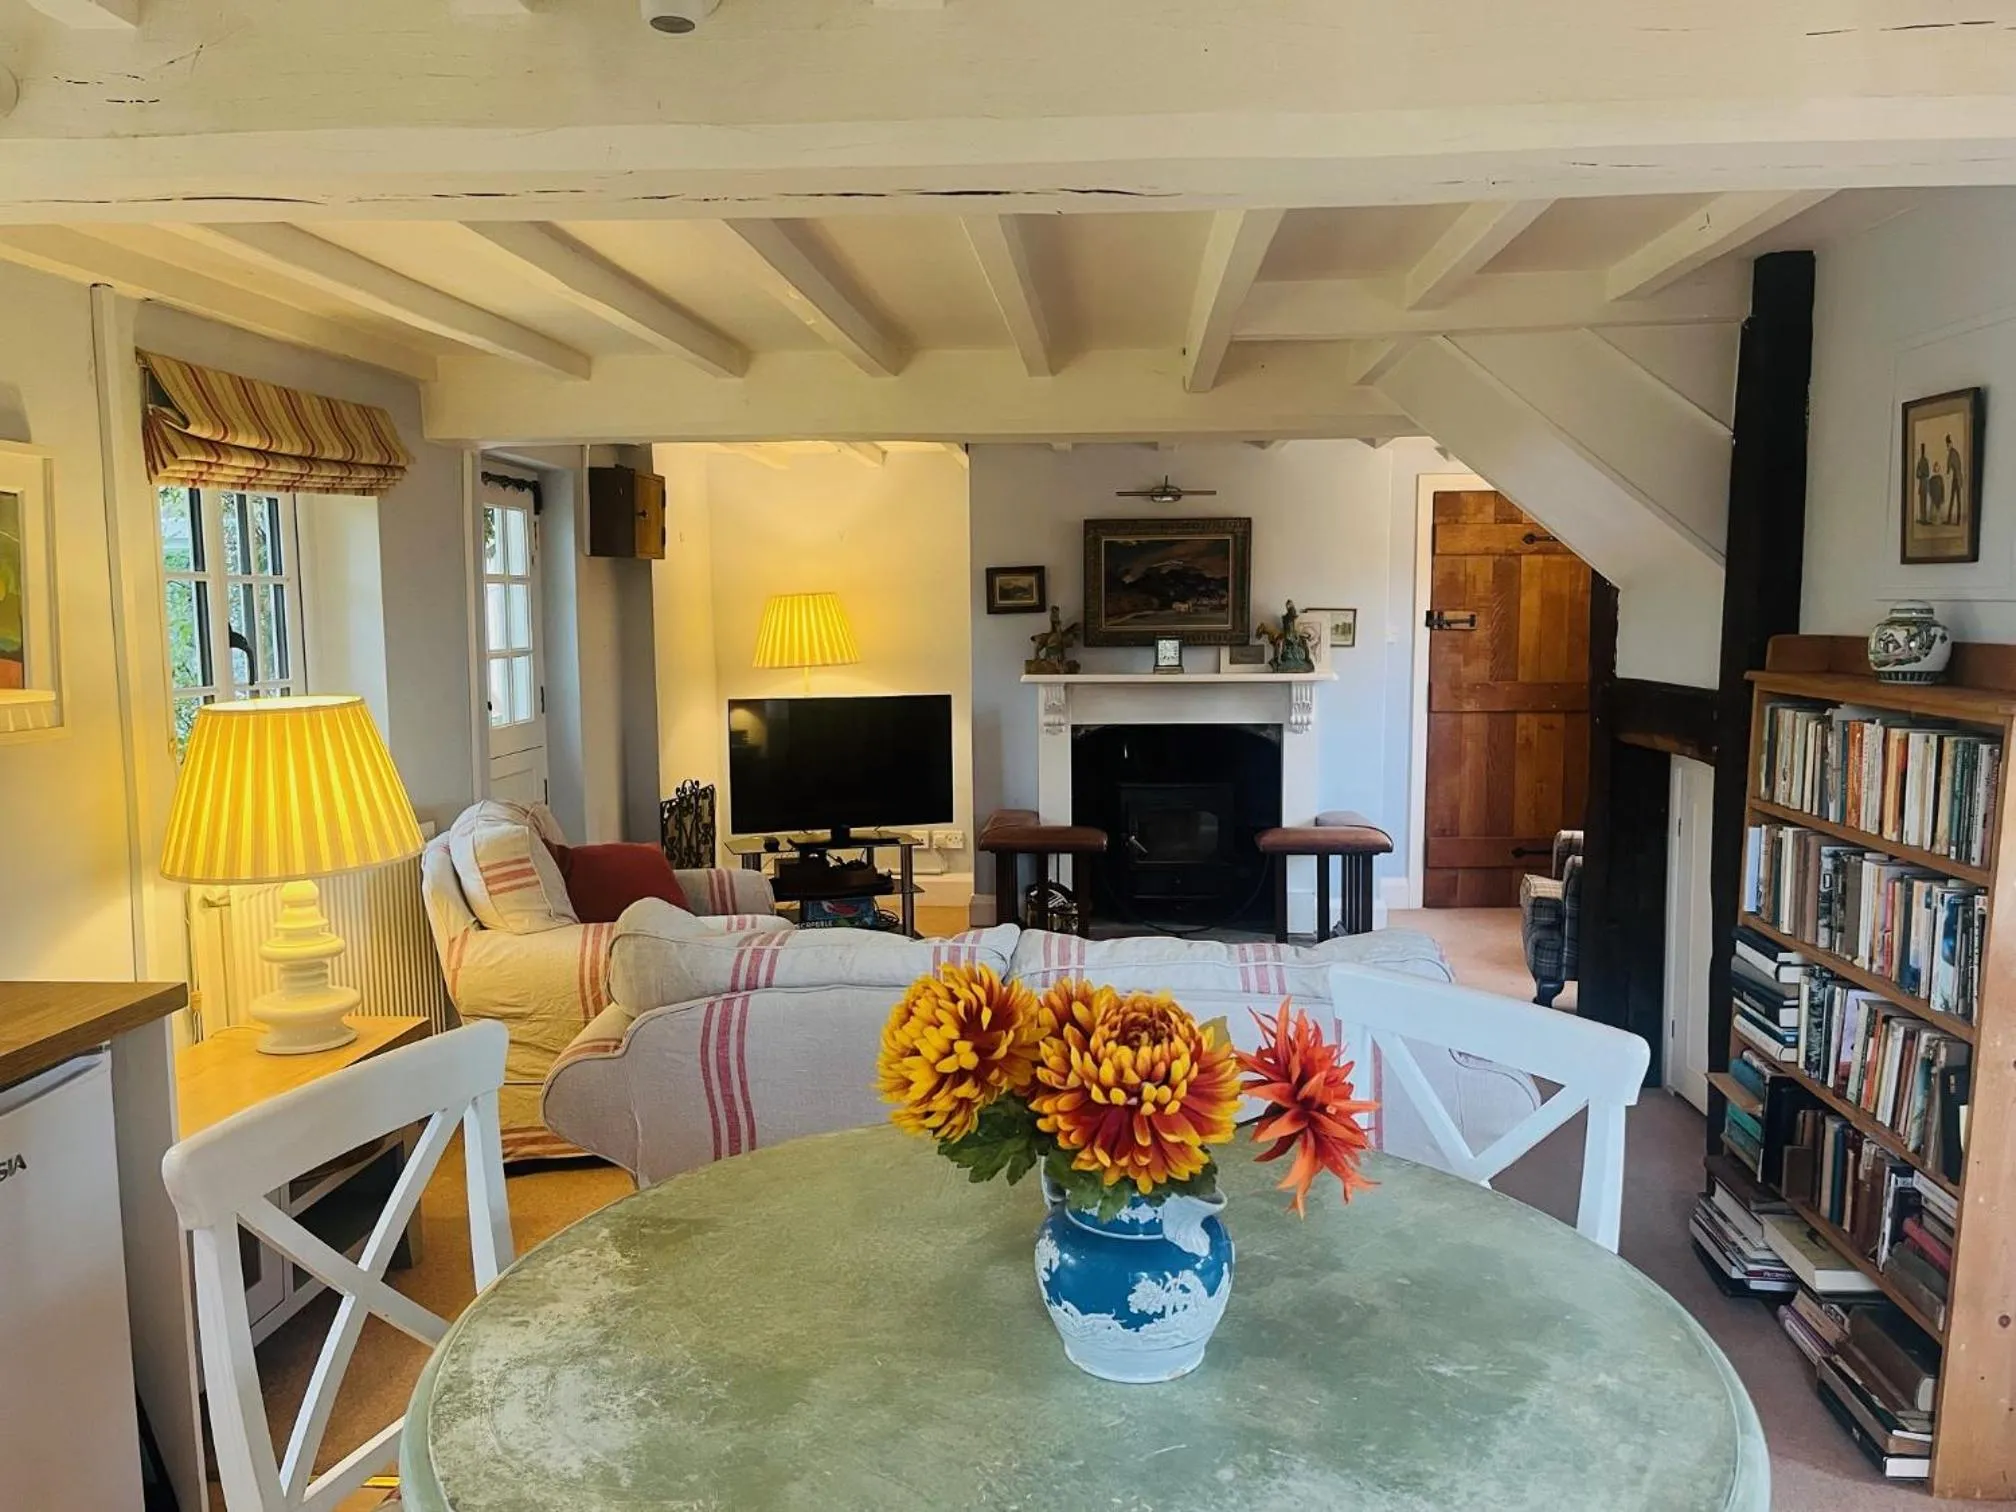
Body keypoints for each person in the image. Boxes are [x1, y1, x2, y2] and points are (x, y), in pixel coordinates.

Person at [1946, 433, 1966, 524]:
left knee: (1956, 499)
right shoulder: (1952, 453)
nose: (1947, 447)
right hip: (1956, 477)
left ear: (1950, 444)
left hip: (1957, 478)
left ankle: (1957, 520)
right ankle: (1950, 519)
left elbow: (1951, 464)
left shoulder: (1953, 453)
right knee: (1953, 498)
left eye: (1948, 445)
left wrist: (1948, 471)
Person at [1916, 442, 1933, 525]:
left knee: (1924, 501)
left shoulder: (1925, 461)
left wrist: (1921, 473)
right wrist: (1920, 474)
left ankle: (1924, 518)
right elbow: (1917, 474)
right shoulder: (1920, 461)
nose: (1922, 452)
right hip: (1922, 483)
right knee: (1921, 502)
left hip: (1924, 483)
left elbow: (1927, 473)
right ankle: (1922, 518)